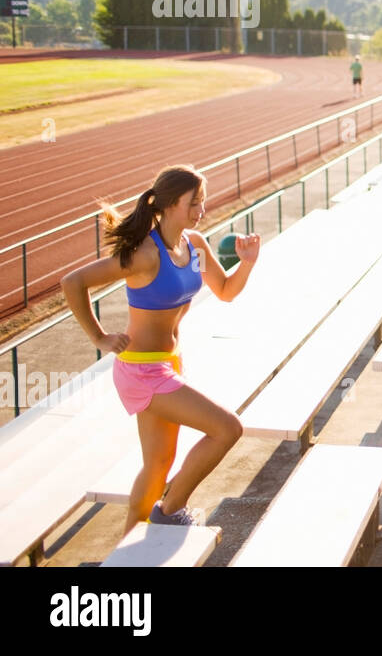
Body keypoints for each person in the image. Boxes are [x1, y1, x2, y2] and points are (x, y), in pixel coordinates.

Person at [60, 165, 259, 534]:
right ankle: (171, 509)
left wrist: (246, 265)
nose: (200, 209)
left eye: (202, 201)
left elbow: (226, 291)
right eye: (193, 203)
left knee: (158, 465)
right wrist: (99, 337)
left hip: (169, 363)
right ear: (168, 205)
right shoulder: (144, 255)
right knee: (227, 428)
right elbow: (74, 282)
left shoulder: (194, 244)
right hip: (141, 371)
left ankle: (130, 543)